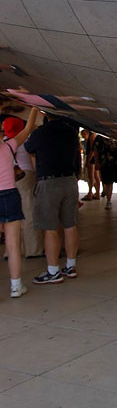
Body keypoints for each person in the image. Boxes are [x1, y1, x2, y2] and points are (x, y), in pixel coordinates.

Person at [24, 115, 81, 285]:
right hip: (70, 181)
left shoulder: (41, 133)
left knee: (50, 229)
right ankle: (71, 266)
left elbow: (28, 148)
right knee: (70, 225)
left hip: (49, 183)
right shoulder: (71, 132)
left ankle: (53, 271)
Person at [0, 108, 38, 297]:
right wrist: (34, 110)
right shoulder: (9, 146)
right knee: (13, 244)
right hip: (10, 195)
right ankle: (16, 287)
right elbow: (28, 128)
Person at [2, 115, 43, 259]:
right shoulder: (26, 142)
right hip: (26, 176)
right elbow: (33, 161)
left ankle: (11, 251)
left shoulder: (3, 143)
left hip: (8, 180)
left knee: (11, 218)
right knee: (29, 213)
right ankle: (33, 250)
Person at [93, 134, 117, 209]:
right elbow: (96, 150)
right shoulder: (100, 137)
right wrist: (97, 162)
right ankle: (108, 201)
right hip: (106, 162)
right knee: (108, 182)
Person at [81, 129, 100, 201]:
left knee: (91, 176)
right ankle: (96, 193)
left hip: (92, 157)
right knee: (95, 175)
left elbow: (92, 149)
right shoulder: (93, 135)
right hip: (93, 157)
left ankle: (90, 193)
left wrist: (88, 160)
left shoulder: (92, 135)